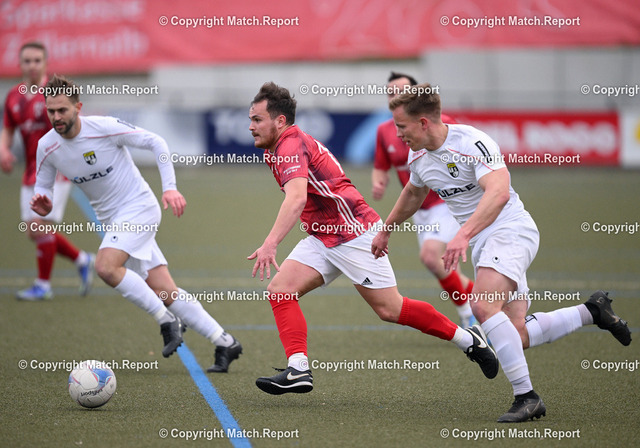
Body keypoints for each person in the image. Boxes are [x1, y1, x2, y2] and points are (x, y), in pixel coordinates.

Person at [372, 82, 632, 422]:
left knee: (482, 306)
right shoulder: (418, 155)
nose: (397, 134)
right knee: (515, 333)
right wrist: (386, 228)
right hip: (485, 241)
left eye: (401, 126)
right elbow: (413, 192)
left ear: (423, 123)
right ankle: (592, 311)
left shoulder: (472, 143)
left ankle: (527, 397)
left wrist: (462, 234)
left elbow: (499, 192)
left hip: (510, 231)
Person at [247, 81, 498, 395]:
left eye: (257, 119)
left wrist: (270, 244)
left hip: (353, 233)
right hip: (323, 235)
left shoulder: (289, 145)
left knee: (390, 309)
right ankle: (298, 369)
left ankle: (467, 340)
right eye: (251, 120)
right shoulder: (279, 147)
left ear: (280, 121)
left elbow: (296, 198)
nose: (251, 126)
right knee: (281, 291)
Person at [31, 75, 241, 372]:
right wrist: (45, 204)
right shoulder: (47, 146)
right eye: (51, 111)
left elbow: (156, 142)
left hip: (139, 208)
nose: (56, 117)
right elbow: (43, 188)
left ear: (78, 107)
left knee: (106, 267)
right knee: (165, 290)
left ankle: (166, 320)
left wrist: (170, 188)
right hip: (114, 223)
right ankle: (225, 341)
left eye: (62, 110)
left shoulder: (103, 128)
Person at [372, 72, 474, 327]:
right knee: (445, 268)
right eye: (390, 92)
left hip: (445, 201)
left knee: (431, 256)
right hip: (419, 208)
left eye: (401, 91)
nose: (394, 96)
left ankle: (469, 315)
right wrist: (379, 181)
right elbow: (382, 167)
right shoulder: (385, 131)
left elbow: (465, 153)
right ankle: (489, 304)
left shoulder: (442, 124)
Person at [1, 41, 93, 300]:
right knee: (36, 230)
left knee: (38, 225)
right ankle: (82, 259)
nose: (32, 65)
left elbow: (75, 126)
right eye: (27, 61)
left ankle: (43, 285)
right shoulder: (13, 96)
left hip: (56, 170)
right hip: (30, 171)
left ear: (45, 63)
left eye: (37, 60)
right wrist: (4, 150)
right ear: (20, 64)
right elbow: (8, 129)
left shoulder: (54, 95)